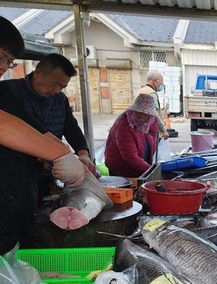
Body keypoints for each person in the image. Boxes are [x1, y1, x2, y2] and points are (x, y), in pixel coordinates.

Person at [0, 16, 85, 254]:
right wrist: (60, 155)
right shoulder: (12, 91)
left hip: (14, 206)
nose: (4, 66)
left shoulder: (4, 95)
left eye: (9, 61)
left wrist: (78, 156)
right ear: (38, 74)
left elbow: (36, 129)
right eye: (0, 58)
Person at [104, 94, 159, 178]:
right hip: (120, 167)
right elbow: (130, 157)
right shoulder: (124, 124)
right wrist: (151, 171)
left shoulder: (152, 120)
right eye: (139, 112)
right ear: (134, 109)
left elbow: (154, 139)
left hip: (141, 162)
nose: (141, 116)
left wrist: (149, 166)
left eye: (145, 114)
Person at [135, 69, 169, 140]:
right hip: (149, 132)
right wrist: (163, 130)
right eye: (161, 84)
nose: (161, 86)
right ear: (155, 80)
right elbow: (154, 113)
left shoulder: (140, 91)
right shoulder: (151, 93)